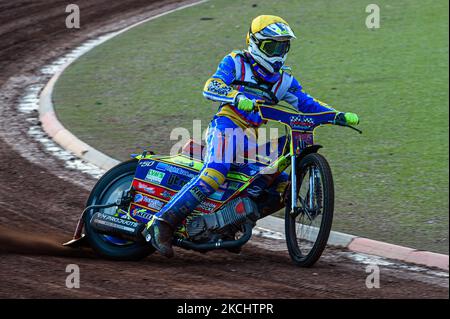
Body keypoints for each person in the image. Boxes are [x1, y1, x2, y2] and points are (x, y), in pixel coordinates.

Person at [145, 15, 360, 258]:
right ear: (254, 43)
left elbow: (307, 104)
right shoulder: (236, 62)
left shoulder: (283, 79)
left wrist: (337, 115)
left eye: (283, 46)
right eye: (272, 46)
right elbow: (211, 86)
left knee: (281, 183)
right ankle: (162, 222)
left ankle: (229, 225)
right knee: (216, 171)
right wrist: (236, 97)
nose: (278, 53)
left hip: (252, 138)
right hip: (225, 126)